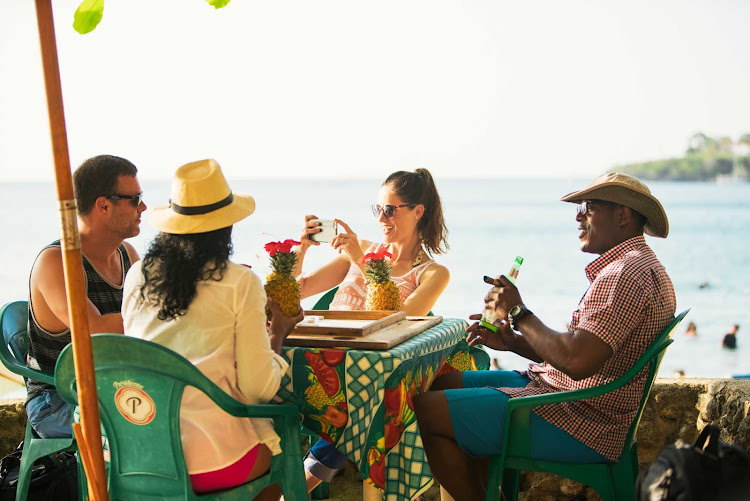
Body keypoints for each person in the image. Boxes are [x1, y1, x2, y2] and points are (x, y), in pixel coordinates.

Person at [413, 172, 677, 501]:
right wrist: (512, 342)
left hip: (580, 420)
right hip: (570, 397)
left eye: (589, 207)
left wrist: (518, 312)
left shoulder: (623, 275)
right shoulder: (638, 266)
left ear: (623, 216)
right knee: (442, 384)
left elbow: (577, 361)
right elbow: (580, 354)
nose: (578, 216)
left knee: (426, 409)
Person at [122, 159, 303, 498]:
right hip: (212, 460)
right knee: (283, 456)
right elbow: (257, 390)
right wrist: (278, 335)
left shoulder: (138, 275)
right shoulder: (239, 282)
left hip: (138, 454)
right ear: (226, 229)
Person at [294, 168, 451, 491]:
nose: (382, 217)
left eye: (390, 209)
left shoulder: (432, 273)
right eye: (378, 209)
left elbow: (400, 321)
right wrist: (302, 248)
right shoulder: (360, 248)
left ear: (418, 211)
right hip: (317, 360)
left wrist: (359, 259)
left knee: (362, 406)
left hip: (362, 375)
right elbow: (299, 290)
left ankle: (293, 489)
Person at [26, 154, 145, 439]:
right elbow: (93, 331)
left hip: (113, 385)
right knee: (147, 426)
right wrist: (169, 310)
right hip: (58, 400)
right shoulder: (58, 262)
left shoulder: (128, 255)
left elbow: (147, 319)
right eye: (135, 199)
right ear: (103, 205)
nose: (143, 207)